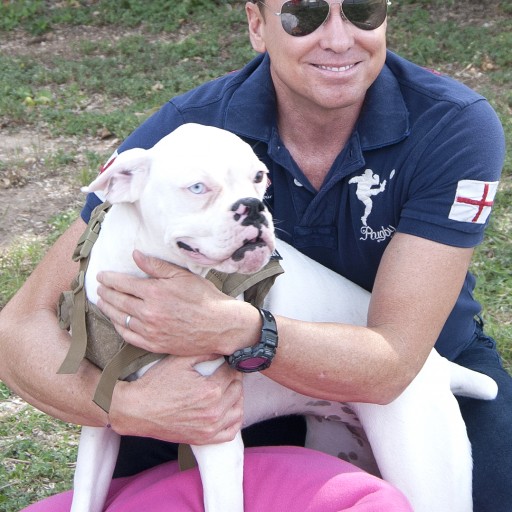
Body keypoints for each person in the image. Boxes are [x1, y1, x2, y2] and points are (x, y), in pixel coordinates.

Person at [0, 1, 509, 510]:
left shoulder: (450, 123)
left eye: (361, 10)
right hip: (221, 378)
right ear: (256, 25)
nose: (337, 38)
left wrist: (238, 329)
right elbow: (18, 327)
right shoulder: (185, 135)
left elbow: (393, 364)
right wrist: (122, 404)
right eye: (302, 15)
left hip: (418, 357)